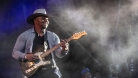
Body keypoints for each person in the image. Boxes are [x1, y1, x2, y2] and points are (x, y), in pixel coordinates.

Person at [12, 8, 69, 78]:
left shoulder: (53, 36)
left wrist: (64, 49)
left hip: (51, 72)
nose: (46, 20)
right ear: (35, 21)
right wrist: (26, 56)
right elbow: (15, 53)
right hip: (32, 73)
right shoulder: (24, 36)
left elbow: (59, 55)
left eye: (47, 19)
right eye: (43, 18)